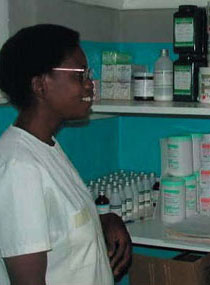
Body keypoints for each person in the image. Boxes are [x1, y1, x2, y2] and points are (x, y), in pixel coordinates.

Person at [0, 24, 132, 285]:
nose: (90, 85)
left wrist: (104, 220)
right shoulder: (19, 167)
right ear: (40, 85)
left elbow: (58, 224)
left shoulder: (45, 146)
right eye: (80, 75)